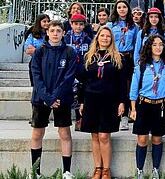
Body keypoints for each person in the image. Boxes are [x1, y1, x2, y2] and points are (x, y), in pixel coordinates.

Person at [30, 20, 77, 178]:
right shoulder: (39, 52)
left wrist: (55, 97)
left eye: (58, 30)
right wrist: (47, 97)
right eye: (53, 30)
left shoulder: (70, 52)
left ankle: (66, 172)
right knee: (37, 133)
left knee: (64, 134)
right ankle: (35, 172)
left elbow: (69, 78)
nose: (55, 33)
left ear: (63, 33)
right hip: (41, 98)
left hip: (62, 98)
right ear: (47, 33)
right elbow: (36, 77)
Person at [79, 26, 127, 179]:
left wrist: (122, 102)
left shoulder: (118, 58)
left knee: (104, 135)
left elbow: (122, 83)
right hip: (91, 99)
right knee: (94, 135)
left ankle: (106, 169)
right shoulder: (89, 57)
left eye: (108, 36)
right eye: (102, 36)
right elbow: (83, 81)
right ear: (97, 38)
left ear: (111, 39)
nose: (105, 38)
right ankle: (97, 168)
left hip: (110, 101)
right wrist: (81, 101)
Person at [130, 34, 165, 179]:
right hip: (144, 104)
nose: (158, 47)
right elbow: (134, 87)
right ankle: (140, 170)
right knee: (142, 139)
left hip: (161, 105)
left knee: (157, 139)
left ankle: (156, 169)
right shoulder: (142, 65)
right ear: (149, 47)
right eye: (155, 44)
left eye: (161, 44)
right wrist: (133, 108)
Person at [107, 0, 139, 130]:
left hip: (127, 57)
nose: (122, 9)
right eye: (119, 7)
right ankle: (112, 115)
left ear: (128, 9)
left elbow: (137, 44)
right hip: (114, 57)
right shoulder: (110, 25)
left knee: (125, 87)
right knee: (111, 85)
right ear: (116, 9)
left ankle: (125, 116)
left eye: (124, 7)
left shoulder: (134, 26)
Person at [63, 14, 92, 132]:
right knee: (69, 94)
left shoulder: (88, 39)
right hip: (69, 70)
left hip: (82, 70)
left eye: (81, 24)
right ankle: (67, 119)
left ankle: (80, 119)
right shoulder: (65, 38)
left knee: (81, 95)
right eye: (76, 24)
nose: (78, 27)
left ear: (84, 25)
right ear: (71, 24)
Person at [25, 14, 50, 86]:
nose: (47, 23)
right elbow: (27, 50)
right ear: (39, 22)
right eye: (44, 21)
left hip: (48, 62)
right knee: (35, 85)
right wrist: (41, 50)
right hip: (35, 61)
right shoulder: (32, 35)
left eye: (48, 21)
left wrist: (35, 49)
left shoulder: (51, 34)